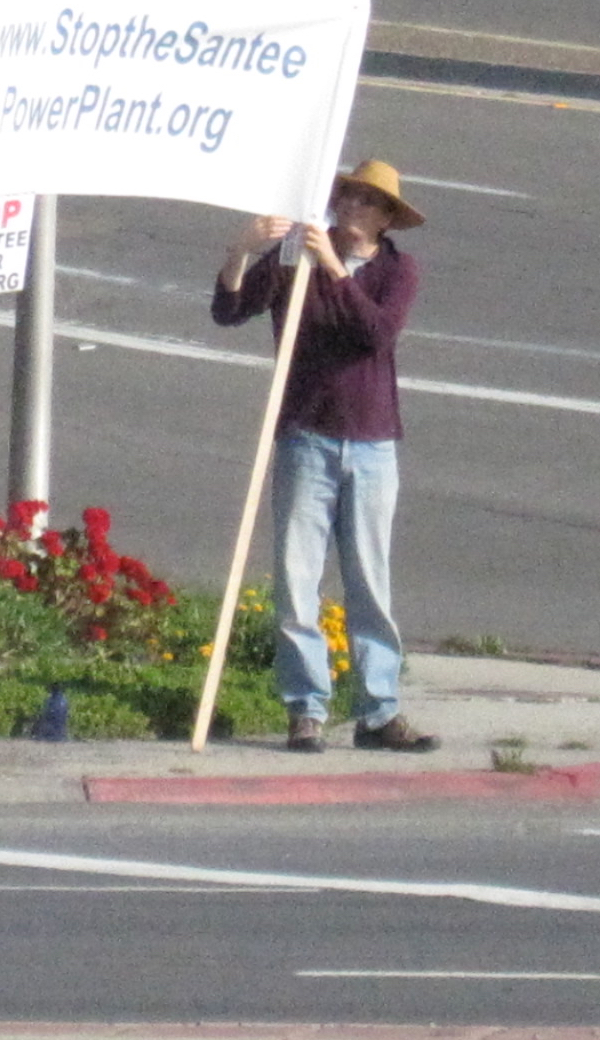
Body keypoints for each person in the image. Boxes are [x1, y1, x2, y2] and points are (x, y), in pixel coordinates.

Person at [211, 158, 435, 754]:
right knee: (297, 579)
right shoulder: (296, 256)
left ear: (386, 217)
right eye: (347, 196)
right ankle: (305, 709)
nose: (350, 207)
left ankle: (379, 710)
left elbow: (375, 334)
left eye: (365, 201)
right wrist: (241, 251)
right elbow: (231, 311)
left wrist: (335, 269)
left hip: (371, 441)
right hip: (307, 435)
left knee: (368, 580)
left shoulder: (395, 269)